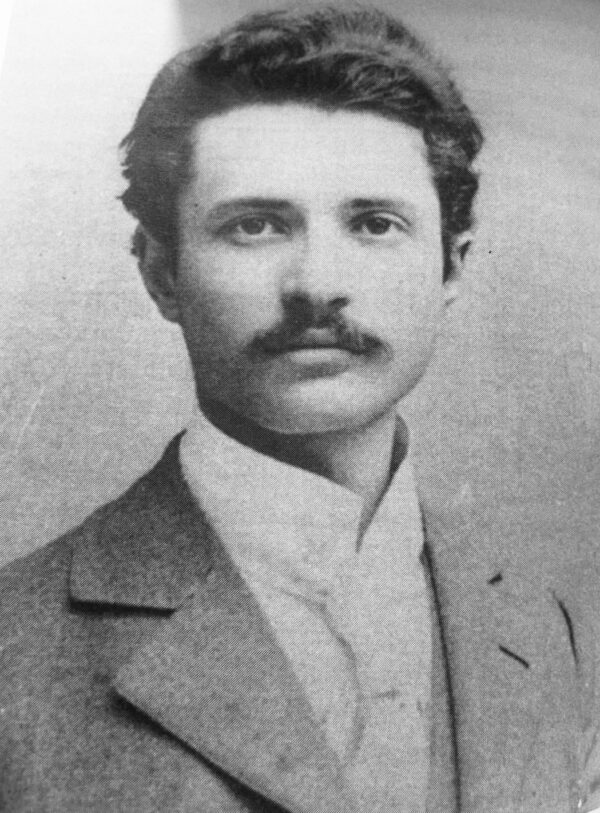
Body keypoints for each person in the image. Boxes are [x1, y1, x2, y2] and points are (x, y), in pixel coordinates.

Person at [0, 5, 596, 812]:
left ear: (450, 266)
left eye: (375, 224)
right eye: (255, 225)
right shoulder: (16, 645)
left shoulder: (538, 625)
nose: (317, 283)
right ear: (162, 272)